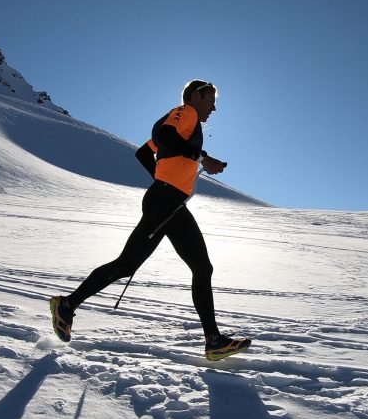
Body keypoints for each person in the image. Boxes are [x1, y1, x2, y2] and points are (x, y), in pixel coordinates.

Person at [49, 79, 250, 361]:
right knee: (130, 264)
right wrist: (199, 157)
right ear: (195, 96)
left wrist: (164, 176)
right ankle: (66, 305)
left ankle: (213, 340)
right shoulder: (186, 113)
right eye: (210, 100)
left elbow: (144, 152)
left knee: (197, 267)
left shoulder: (186, 121)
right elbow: (164, 135)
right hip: (165, 202)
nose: (214, 107)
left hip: (170, 203)